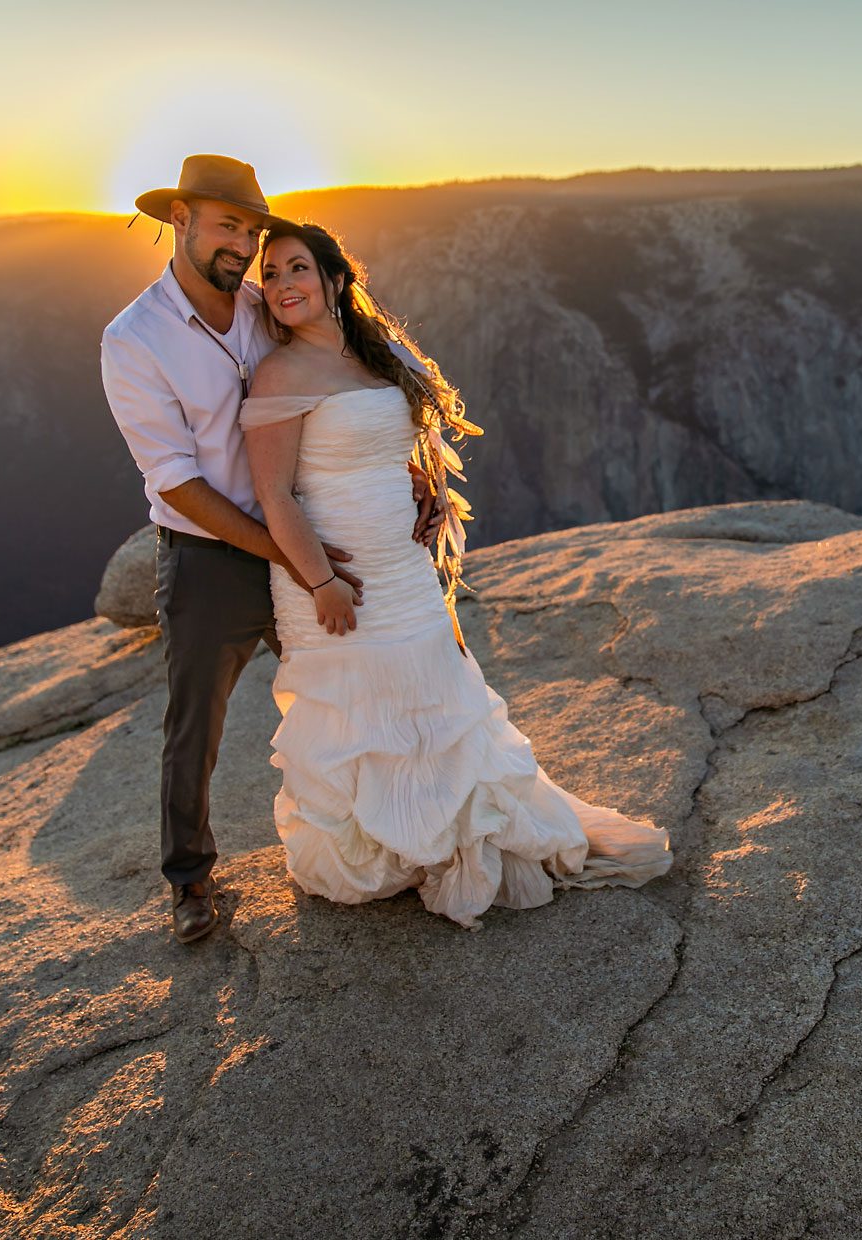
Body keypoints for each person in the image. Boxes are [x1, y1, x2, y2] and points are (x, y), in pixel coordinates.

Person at [239, 221, 673, 930]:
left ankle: (443, 830)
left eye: (297, 269)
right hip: (333, 576)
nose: (283, 285)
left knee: (436, 695)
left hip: (401, 567)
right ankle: (383, 846)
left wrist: (425, 482)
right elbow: (275, 495)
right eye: (272, 273)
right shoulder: (280, 373)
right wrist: (320, 581)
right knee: (358, 714)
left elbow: (392, 443)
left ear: (336, 280)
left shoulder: (374, 358)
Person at [100, 155, 445, 944]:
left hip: (315, 539)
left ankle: (394, 829)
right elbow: (175, 481)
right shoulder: (135, 339)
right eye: (229, 226)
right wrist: (290, 556)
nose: (242, 244)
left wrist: (415, 480)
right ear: (179, 220)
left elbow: (360, 382)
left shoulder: (268, 305)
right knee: (197, 720)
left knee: (352, 690)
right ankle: (189, 880)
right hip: (213, 556)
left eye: (250, 230)